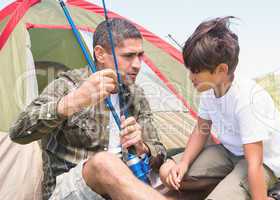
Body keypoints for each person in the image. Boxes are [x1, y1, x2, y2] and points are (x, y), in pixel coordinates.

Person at [9, 18, 167, 200]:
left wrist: (143, 148)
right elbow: (18, 132)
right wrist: (72, 102)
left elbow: (158, 149)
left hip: (123, 188)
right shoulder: (67, 85)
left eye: (140, 56)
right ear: (100, 54)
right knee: (105, 162)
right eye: (128, 56)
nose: (138, 64)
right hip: (70, 191)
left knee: (197, 165)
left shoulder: (135, 94)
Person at [159, 16, 280, 200]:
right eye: (190, 69)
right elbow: (201, 129)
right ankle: (228, 186)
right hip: (228, 152)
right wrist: (183, 163)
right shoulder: (208, 89)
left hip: (263, 163)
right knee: (168, 172)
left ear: (221, 70)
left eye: (196, 71)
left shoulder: (246, 100)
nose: (191, 76)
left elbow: (254, 164)